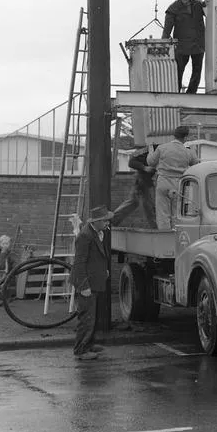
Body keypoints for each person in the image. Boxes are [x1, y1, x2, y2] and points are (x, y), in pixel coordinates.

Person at [70, 204, 113, 361]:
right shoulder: (85, 236)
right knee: (86, 317)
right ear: (97, 221)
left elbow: (97, 257)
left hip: (94, 279)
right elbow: (80, 263)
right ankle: (81, 350)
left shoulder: (97, 232)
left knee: (92, 316)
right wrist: (84, 286)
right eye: (105, 221)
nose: (108, 223)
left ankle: (88, 344)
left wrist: (104, 271)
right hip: (86, 283)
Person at [147, 125, 198, 230]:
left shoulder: (162, 148)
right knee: (177, 214)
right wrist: (194, 150)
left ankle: (164, 238)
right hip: (180, 184)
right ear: (186, 137)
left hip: (164, 181)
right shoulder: (187, 152)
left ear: (174, 135)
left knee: (162, 214)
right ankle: (176, 237)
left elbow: (151, 162)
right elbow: (196, 163)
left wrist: (151, 150)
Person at [162, 0, 206, 93]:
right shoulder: (173, 8)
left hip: (198, 44)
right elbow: (167, 29)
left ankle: (191, 93)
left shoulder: (198, 5)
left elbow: (210, 14)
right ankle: (175, 92)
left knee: (197, 71)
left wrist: (207, 5)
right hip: (182, 46)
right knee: (178, 71)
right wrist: (164, 44)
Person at [110, 146, 156, 229]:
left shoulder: (160, 148)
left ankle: (112, 221)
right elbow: (131, 162)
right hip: (143, 180)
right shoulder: (148, 149)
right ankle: (156, 228)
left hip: (147, 180)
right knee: (148, 205)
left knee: (139, 203)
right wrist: (144, 168)